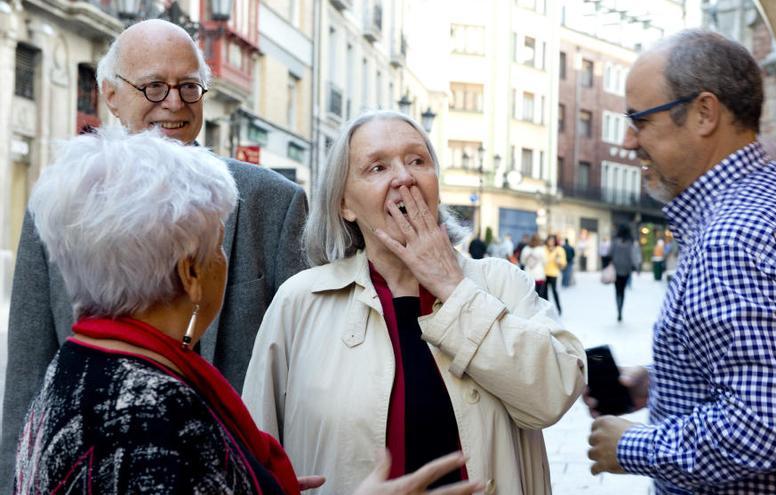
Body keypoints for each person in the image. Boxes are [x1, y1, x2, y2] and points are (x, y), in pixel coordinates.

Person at [14, 128, 483, 495]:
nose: (226, 257)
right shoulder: (147, 412)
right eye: (218, 244)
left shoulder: (81, 366)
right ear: (191, 273)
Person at [0, 19, 310, 489]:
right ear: (110, 94)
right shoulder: (60, 204)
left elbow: (306, 369)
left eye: (189, 86)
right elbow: (28, 375)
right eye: (154, 87)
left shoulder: (273, 202)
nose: (174, 103)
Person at [586, 29, 776, 494]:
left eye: (639, 119)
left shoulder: (732, 238)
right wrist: (663, 383)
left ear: (704, 113)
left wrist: (631, 447)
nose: (628, 140)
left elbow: (765, 426)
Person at [241, 111, 586, 495]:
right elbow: (254, 455)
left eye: (417, 161)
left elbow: (554, 395)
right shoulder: (299, 302)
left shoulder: (500, 281)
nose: (404, 177)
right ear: (345, 205)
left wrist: (454, 289)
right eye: (377, 167)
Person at [609, 225, 637, 322]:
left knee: (617, 291)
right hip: (626, 269)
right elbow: (632, 255)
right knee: (623, 291)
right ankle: (621, 310)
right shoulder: (630, 243)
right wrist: (635, 266)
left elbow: (609, 253)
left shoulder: (615, 242)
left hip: (616, 269)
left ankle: (618, 310)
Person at [543, 234, 566, 314]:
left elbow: (563, 263)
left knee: (554, 291)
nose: (551, 242)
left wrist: (558, 261)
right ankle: (547, 310)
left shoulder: (559, 249)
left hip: (553, 273)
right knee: (544, 293)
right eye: (549, 240)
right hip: (544, 273)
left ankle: (559, 309)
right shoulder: (544, 249)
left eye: (552, 241)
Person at [520, 233, 547, 299]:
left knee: (529, 296)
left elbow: (522, 261)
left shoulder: (526, 249)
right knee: (539, 296)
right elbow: (545, 261)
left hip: (528, 276)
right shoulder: (541, 249)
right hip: (539, 275)